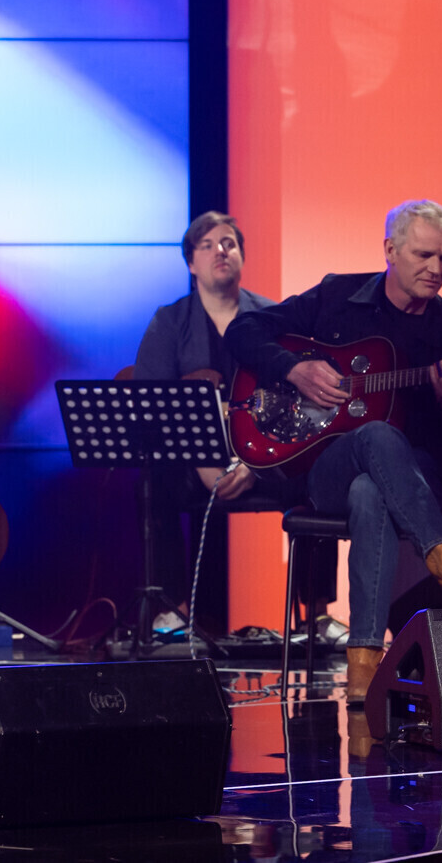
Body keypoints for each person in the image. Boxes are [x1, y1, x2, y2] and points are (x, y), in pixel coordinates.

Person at [226, 200, 442, 700]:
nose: (436, 269)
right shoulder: (337, 296)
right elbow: (242, 330)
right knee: (375, 435)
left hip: (422, 476)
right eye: (423, 255)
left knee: (370, 492)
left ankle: (363, 667)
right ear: (390, 250)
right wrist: (293, 369)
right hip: (327, 468)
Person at [134, 213, 295, 625]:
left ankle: (315, 615)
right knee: (155, 477)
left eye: (228, 243)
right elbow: (154, 404)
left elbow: (294, 400)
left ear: (241, 255)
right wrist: (204, 459)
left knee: (319, 473)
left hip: (264, 458)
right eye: (206, 246)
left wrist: (253, 464)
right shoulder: (169, 321)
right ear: (191, 263)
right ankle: (173, 611)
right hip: (194, 462)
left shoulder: (274, 316)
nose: (220, 251)